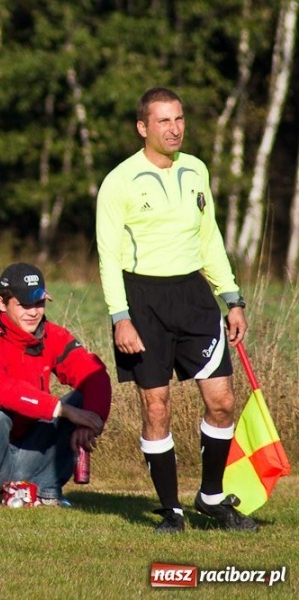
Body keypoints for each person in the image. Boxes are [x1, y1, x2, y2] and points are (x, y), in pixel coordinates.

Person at [96, 87, 258, 533]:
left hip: (194, 297)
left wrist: (232, 298)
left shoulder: (196, 170)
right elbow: (107, 256)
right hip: (143, 302)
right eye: (164, 121)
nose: (174, 129)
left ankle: (211, 498)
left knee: (222, 402)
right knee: (157, 407)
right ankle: (171, 509)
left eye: (179, 119)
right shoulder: (119, 180)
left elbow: (210, 240)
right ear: (142, 128)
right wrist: (119, 316)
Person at [0, 263, 111, 507]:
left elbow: (95, 374)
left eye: (39, 304)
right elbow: (2, 390)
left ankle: (47, 493)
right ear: (1, 303)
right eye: (24, 305)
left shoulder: (52, 335)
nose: (33, 312)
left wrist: (90, 419)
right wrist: (64, 411)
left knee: (82, 401)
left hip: (23, 455)